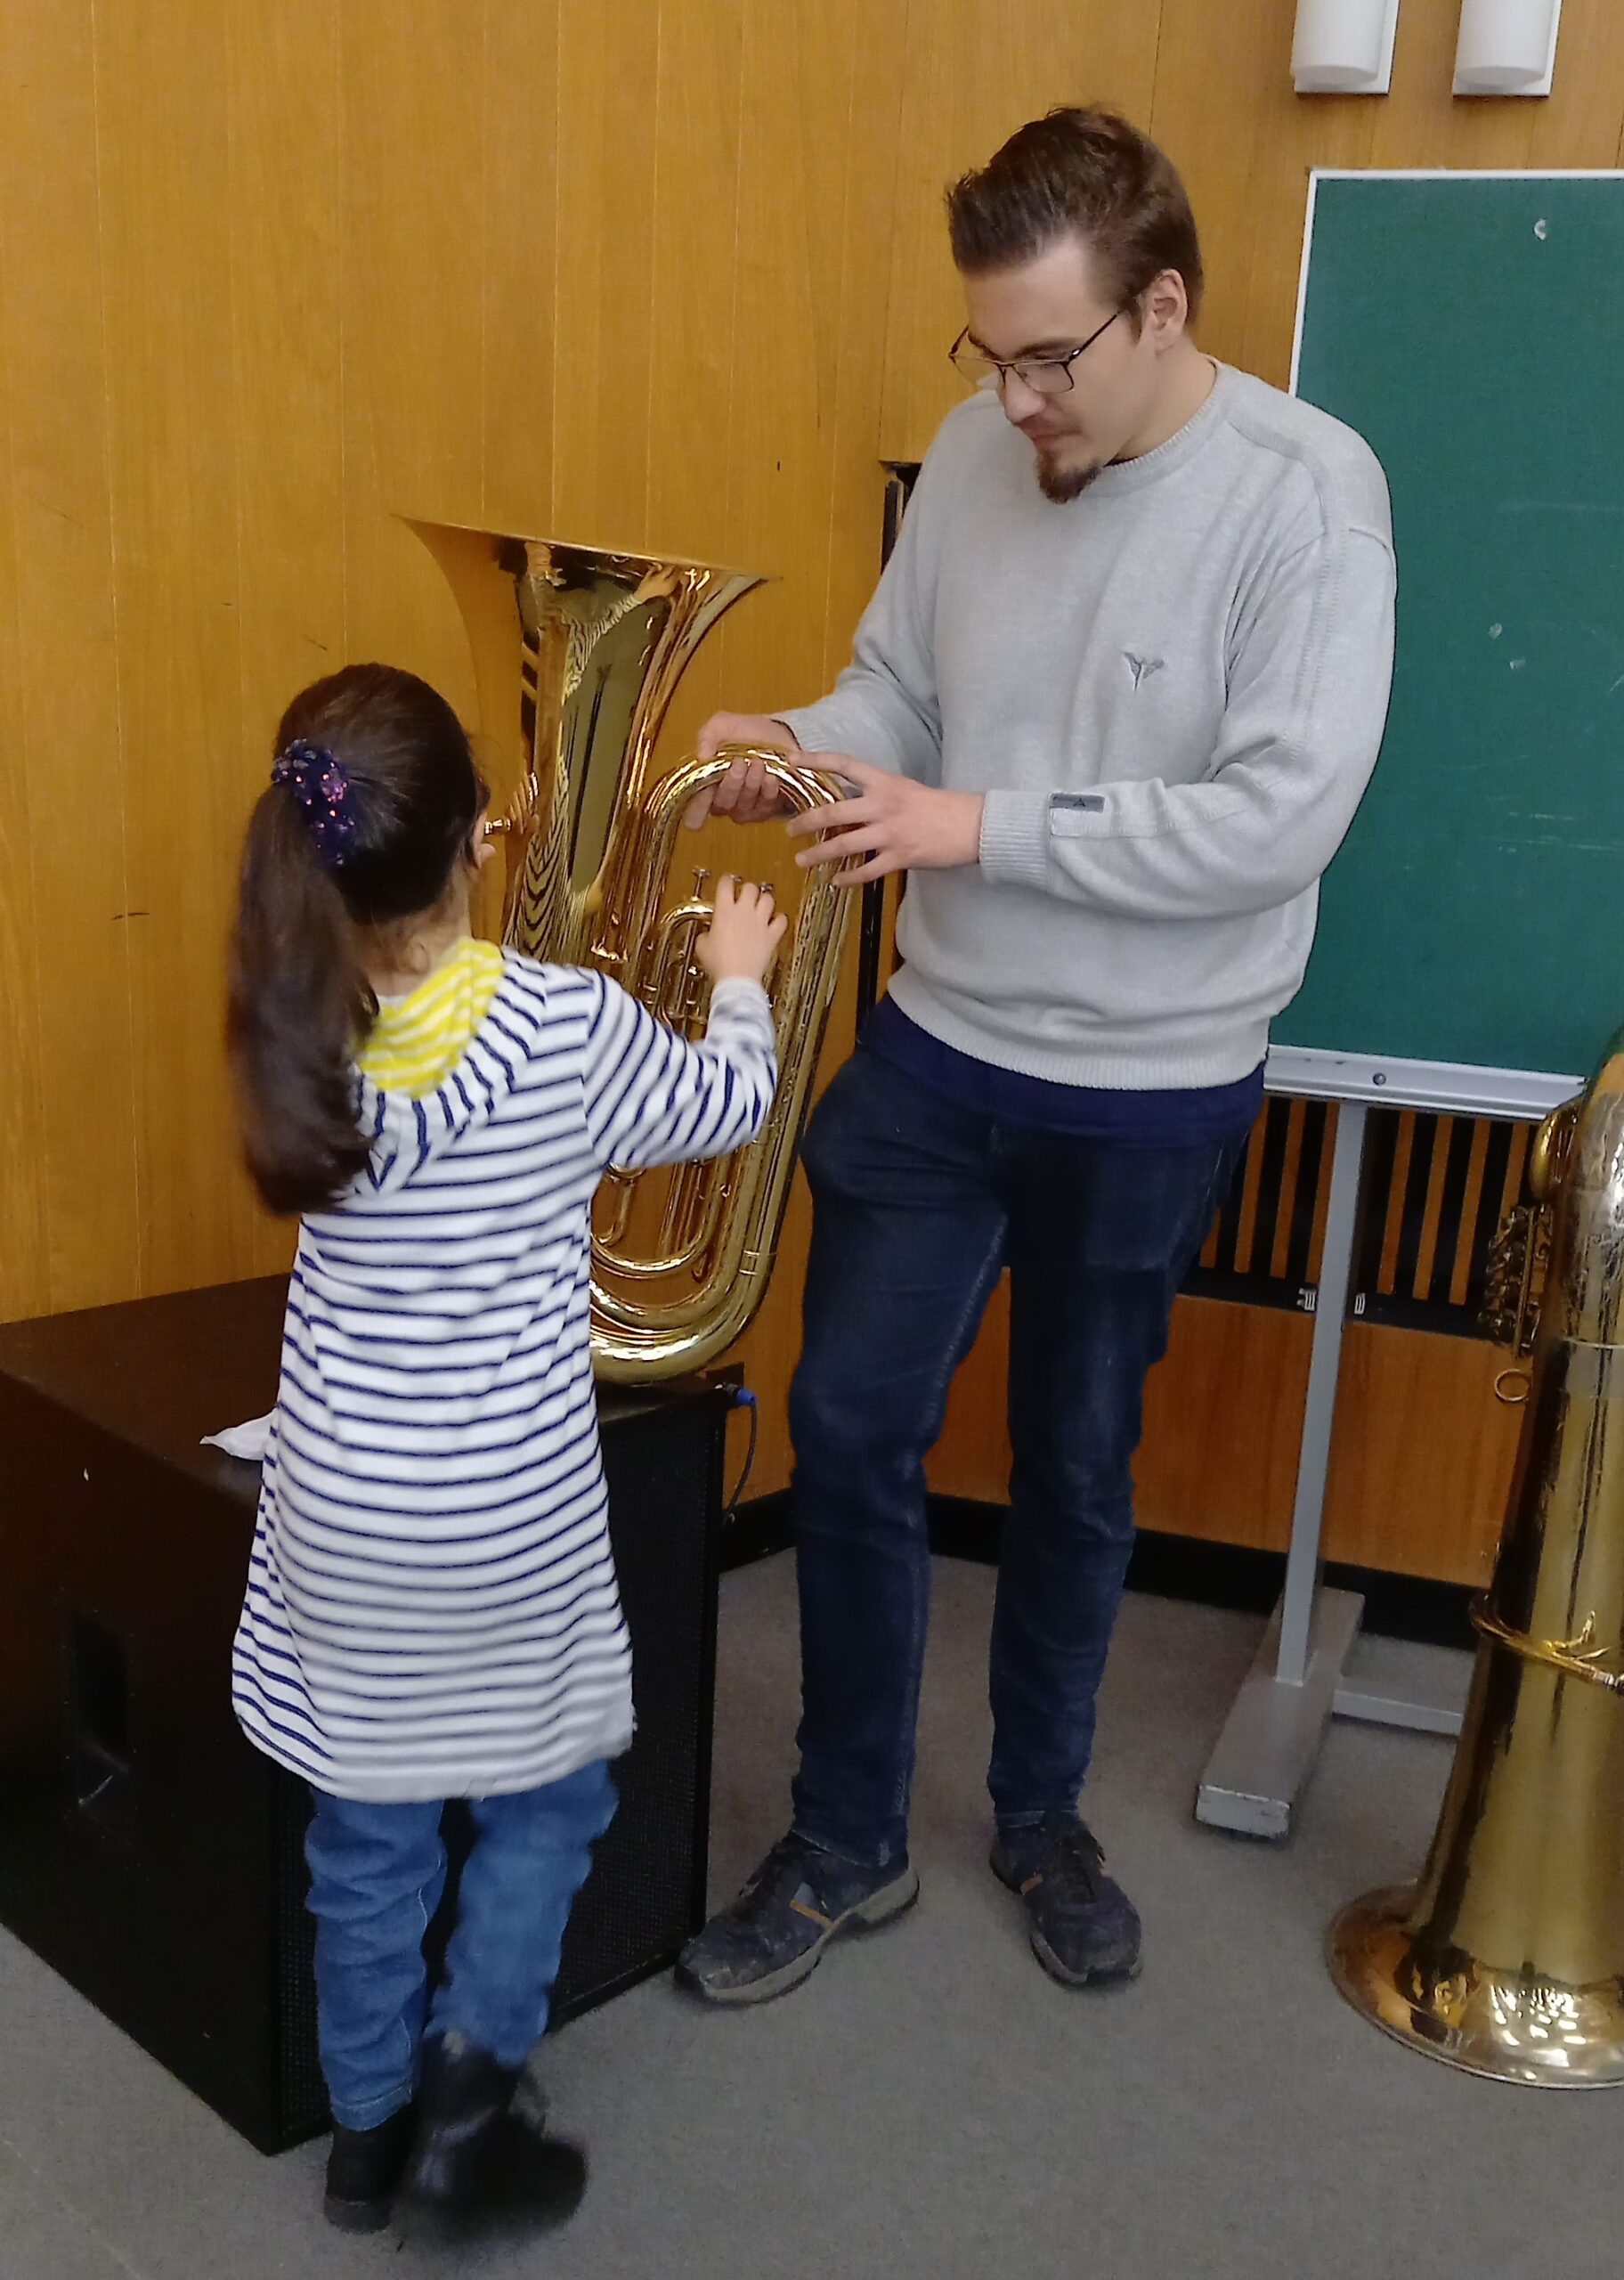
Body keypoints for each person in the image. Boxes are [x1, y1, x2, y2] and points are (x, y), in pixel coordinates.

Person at [675, 107, 1396, 2004]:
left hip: (1155, 1080)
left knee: (1077, 1462)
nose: (1010, 402)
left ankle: (1039, 1816)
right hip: (940, 1045)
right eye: (984, 356)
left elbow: (1276, 821)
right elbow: (902, 693)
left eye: (1047, 358)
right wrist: (804, 749)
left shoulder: (1310, 493)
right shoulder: (993, 466)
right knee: (845, 1426)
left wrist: (965, 823)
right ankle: (843, 1840)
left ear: (1163, 309)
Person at [225, 663, 783, 2237]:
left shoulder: (296, 1032)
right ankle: (478, 2071)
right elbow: (725, 1104)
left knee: (367, 1838)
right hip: (510, 1515)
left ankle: (363, 2140)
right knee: (545, 1804)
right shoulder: (565, 1022)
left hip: (344, 1515)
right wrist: (737, 972)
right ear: (485, 836)